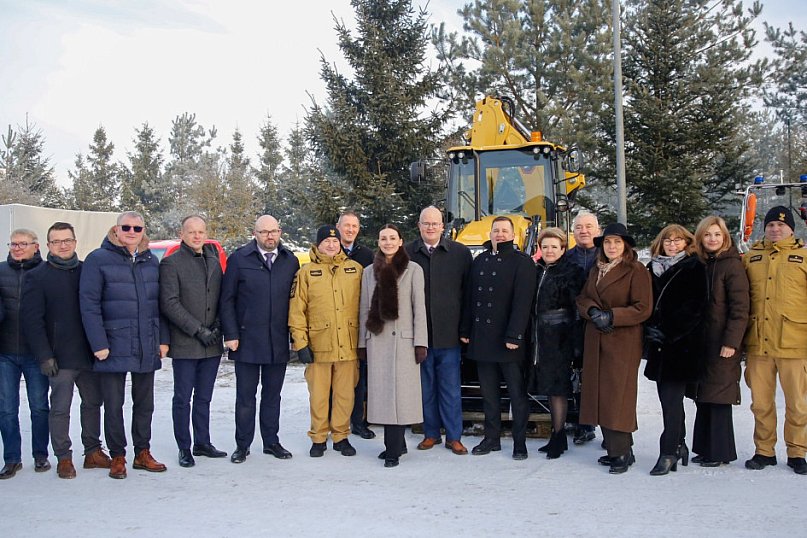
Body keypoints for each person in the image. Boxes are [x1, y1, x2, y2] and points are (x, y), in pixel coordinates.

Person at [80, 211, 169, 479]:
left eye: (137, 227)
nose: (132, 231)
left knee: (144, 403)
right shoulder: (98, 259)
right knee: (114, 404)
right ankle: (118, 454)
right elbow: (89, 304)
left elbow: (159, 305)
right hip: (112, 344)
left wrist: (162, 338)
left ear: (143, 231)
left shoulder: (150, 262)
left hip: (145, 342)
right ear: (116, 230)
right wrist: (98, 342)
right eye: (126, 227)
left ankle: (142, 452)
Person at [20, 222, 109, 479]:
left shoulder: (87, 271)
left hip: (90, 354)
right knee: (60, 408)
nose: (63, 245)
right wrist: (44, 355)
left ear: (75, 241)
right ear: (48, 245)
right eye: (57, 241)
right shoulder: (37, 276)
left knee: (93, 403)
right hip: (59, 357)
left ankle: (92, 451)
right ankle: (64, 457)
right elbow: (32, 322)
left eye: (67, 240)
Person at [220, 215, 300, 464]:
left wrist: (295, 336)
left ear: (280, 232)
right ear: (254, 233)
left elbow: (297, 301)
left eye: (273, 231)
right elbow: (227, 299)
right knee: (246, 396)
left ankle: (271, 442)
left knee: (272, 396)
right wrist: (231, 334)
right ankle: (242, 445)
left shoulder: (290, 261)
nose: (269, 236)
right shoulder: (239, 259)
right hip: (247, 340)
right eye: (264, 232)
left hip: (277, 340)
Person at [576, 223, 652, 474]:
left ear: (625, 246)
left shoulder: (635, 270)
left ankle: (620, 451)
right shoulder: (596, 269)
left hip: (622, 341)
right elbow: (583, 297)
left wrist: (612, 316)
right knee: (600, 394)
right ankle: (619, 449)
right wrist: (593, 311)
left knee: (617, 397)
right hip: (596, 339)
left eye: (617, 242)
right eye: (608, 242)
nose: (612, 247)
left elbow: (643, 307)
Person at [461, 217, 536, 460]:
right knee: (489, 394)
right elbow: (470, 299)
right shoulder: (480, 260)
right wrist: (465, 330)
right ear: (491, 233)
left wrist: (515, 334)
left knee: (516, 393)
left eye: (505, 231)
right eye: (496, 231)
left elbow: (522, 303)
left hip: (508, 341)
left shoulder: (521, 262)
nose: (500, 234)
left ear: (513, 235)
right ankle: (491, 438)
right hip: (482, 338)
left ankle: (519, 442)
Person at [743, 206, 807, 475]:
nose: (775, 229)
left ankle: (797, 451)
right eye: (771, 225)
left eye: (781, 226)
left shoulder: (803, 258)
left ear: (792, 229)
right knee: (761, 403)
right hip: (759, 343)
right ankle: (764, 451)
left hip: (795, 343)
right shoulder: (751, 258)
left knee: (798, 404)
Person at [159, 215, 227, 468]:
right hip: (187, 341)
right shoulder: (171, 263)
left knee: (204, 397)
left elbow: (221, 296)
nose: (197, 236)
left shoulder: (213, 259)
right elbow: (169, 303)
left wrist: (218, 326)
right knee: (183, 397)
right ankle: (184, 447)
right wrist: (198, 330)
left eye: (201, 232)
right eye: (192, 232)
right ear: (182, 233)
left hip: (212, 342)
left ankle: (202, 441)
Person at [289, 225, 362, 458]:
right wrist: (300, 343)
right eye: (326, 242)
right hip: (319, 345)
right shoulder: (306, 273)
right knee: (319, 395)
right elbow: (297, 310)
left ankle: (341, 436)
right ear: (318, 245)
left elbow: (366, 306)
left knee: (345, 394)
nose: (331, 245)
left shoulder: (355, 269)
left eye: (335, 242)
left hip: (348, 344)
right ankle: (319, 437)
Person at [358, 224, 427, 468]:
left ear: (400, 241)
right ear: (378, 242)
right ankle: (396, 444)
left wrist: (421, 342)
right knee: (384, 394)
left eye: (392, 238)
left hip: (404, 341)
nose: (387, 242)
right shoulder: (368, 272)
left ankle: (392, 450)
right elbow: (364, 308)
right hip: (378, 339)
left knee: (399, 395)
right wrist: (362, 342)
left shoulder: (413, 269)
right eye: (383, 238)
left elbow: (419, 308)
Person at [405, 206, 472, 456]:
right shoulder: (407, 253)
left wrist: (465, 328)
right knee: (425, 387)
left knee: (450, 388)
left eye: (435, 223)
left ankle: (454, 437)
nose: (430, 227)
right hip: (419, 336)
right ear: (419, 225)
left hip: (449, 334)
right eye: (426, 223)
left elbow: (469, 294)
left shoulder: (460, 253)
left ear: (443, 227)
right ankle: (431, 433)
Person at [643, 224, 707, 475]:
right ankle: (679, 444)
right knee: (668, 400)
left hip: (681, 346)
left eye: (678, 240)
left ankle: (668, 450)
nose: (672, 244)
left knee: (671, 401)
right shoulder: (652, 268)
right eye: (668, 240)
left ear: (686, 243)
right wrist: (650, 329)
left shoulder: (694, 267)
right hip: (659, 346)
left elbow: (695, 307)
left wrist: (669, 331)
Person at [690, 216, 749, 467]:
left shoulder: (731, 265)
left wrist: (732, 342)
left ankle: (720, 451)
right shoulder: (703, 263)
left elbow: (740, 308)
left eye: (717, 234)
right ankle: (704, 448)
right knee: (704, 395)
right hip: (704, 341)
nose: (712, 239)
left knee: (720, 396)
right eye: (707, 235)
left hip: (723, 342)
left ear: (724, 237)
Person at [529, 227, 585, 459]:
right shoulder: (537, 269)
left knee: (559, 387)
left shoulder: (572, 271)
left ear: (563, 249)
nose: (549, 251)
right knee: (549, 387)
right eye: (545, 247)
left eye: (554, 247)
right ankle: (556, 433)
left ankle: (559, 434)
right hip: (539, 336)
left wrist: (575, 342)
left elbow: (577, 308)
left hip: (561, 336)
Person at [0, 228, 48, 479]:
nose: (17, 248)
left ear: (36, 246)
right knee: (7, 408)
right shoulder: (0, 271)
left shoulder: (45, 272)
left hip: (36, 352)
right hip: (5, 352)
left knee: (39, 406)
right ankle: (11, 458)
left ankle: (40, 455)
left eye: (23, 244)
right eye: (13, 244)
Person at [336, 211, 375, 440]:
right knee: (335, 377)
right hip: (334, 325)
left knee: (360, 377)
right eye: (346, 225)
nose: (350, 230)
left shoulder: (367, 255)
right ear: (338, 227)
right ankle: (335, 421)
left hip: (358, 324)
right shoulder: (328, 250)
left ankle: (358, 421)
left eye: (354, 226)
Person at [566, 211, 601, 445]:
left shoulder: (606, 255)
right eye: (579, 227)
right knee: (578, 375)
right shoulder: (566, 257)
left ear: (598, 230)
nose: (584, 231)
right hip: (573, 325)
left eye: (589, 226)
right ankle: (583, 422)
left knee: (603, 378)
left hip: (601, 324)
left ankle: (609, 427)